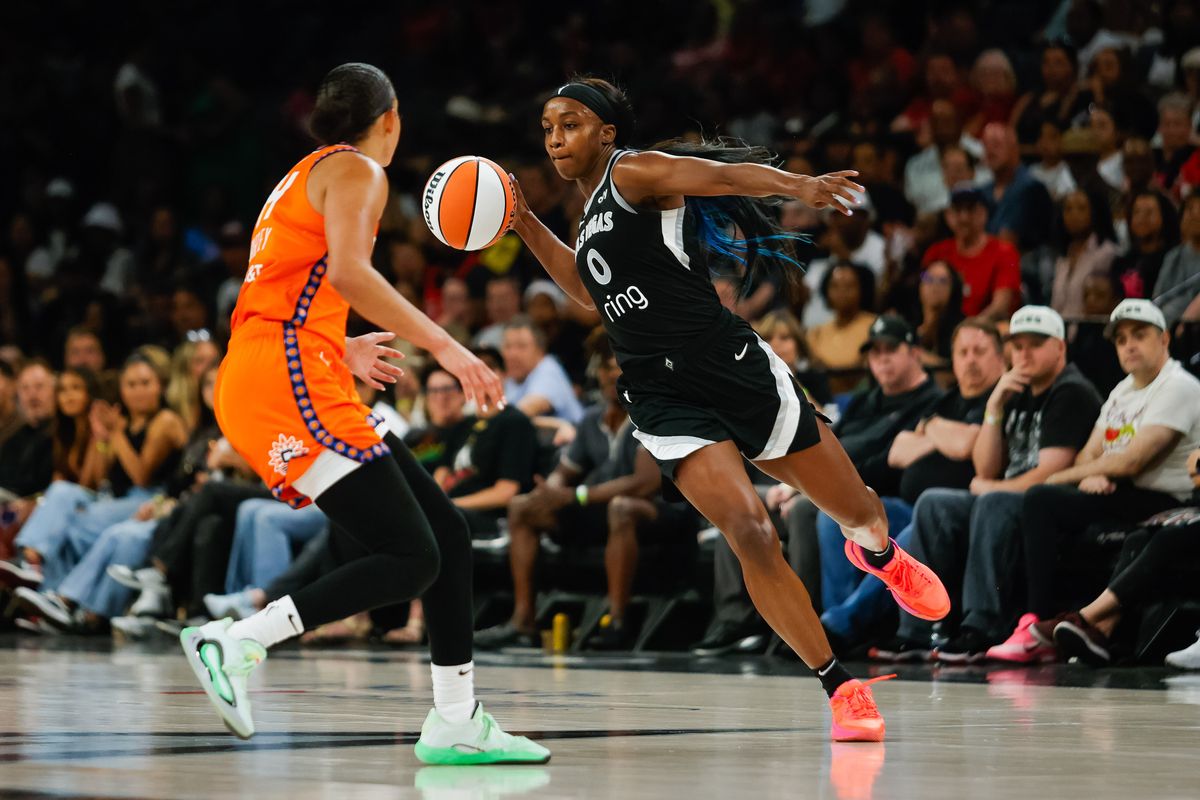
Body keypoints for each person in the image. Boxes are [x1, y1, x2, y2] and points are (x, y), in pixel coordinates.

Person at [511, 77, 951, 742]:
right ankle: (841, 687)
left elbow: (710, 174)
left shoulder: (634, 172)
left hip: (728, 366)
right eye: (546, 128)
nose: (554, 138)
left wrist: (798, 186)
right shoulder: (591, 216)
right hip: (659, 394)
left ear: (606, 131)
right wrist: (521, 221)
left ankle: (881, 553)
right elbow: (585, 287)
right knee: (749, 531)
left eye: (568, 123)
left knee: (858, 510)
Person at [182, 63, 547, 764]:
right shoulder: (359, 173)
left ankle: (456, 719)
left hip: (284, 363)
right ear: (390, 118)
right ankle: (236, 641)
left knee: (445, 536)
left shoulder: (303, 173)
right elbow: (349, 273)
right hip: (287, 374)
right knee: (410, 555)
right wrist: (448, 346)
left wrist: (338, 343)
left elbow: (288, 285)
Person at [878, 306, 1102, 663]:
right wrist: (995, 404)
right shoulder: (1015, 390)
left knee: (991, 502)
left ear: (1060, 348)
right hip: (1008, 496)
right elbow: (986, 466)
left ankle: (981, 626)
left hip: (1048, 502)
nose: (1024, 353)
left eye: (1035, 344)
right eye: (1018, 345)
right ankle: (917, 630)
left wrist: (991, 487)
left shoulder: (1070, 391)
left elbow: (1048, 473)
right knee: (934, 502)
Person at [997, 300, 1200, 663]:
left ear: (1165, 339)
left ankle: (1049, 627)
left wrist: (1080, 473)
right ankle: (1038, 620)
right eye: (1121, 339)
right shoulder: (1122, 391)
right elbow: (1088, 456)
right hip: (1123, 492)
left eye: (1139, 335)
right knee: (1042, 501)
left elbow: (1134, 460)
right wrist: (1094, 472)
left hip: (1168, 498)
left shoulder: (1179, 385)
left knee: (1046, 493)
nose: (1129, 345)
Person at [475, 333, 687, 651]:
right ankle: (523, 622)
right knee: (522, 507)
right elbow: (564, 474)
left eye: (616, 367)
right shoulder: (591, 420)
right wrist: (549, 492)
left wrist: (577, 496)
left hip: (662, 511)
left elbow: (645, 483)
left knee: (622, 507)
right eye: (604, 368)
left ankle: (617, 622)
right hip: (603, 509)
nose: (609, 374)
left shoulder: (652, 413)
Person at [922, 186, 1020, 321]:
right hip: (942, 331)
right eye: (958, 210)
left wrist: (967, 331)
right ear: (948, 215)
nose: (964, 217)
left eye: (970, 209)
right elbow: (925, 297)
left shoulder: (1004, 252)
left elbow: (1000, 306)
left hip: (986, 330)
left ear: (984, 213)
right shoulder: (936, 252)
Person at [805, 263, 878, 394]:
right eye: (835, 286)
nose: (842, 292)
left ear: (862, 289)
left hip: (863, 397)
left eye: (849, 286)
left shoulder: (874, 325)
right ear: (826, 290)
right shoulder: (816, 333)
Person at [500, 315, 584, 425]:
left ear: (540, 350)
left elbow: (522, 412)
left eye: (521, 346)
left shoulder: (548, 370)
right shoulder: (510, 380)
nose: (512, 354)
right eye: (508, 346)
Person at [1049, 189, 1119, 318]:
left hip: (1089, 330)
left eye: (1081, 209)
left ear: (1095, 212)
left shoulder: (1106, 252)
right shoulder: (1063, 256)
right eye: (1068, 209)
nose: (1073, 215)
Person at [1154, 193, 1200, 327]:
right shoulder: (1173, 256)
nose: (1195, 215)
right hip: (1167, 329)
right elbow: (1158, 300)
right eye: (1190, 209)